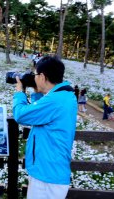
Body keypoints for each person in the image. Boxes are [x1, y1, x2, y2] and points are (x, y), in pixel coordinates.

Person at [13, 56, 77, 199]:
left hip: (47, 175)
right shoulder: (64, 95)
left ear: (42, 76)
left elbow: (20, 115)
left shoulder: (55, 100)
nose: (34, 78)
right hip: (50, 170)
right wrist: (37, 92)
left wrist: (19, 92)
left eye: (35, 75)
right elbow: (42, 115)